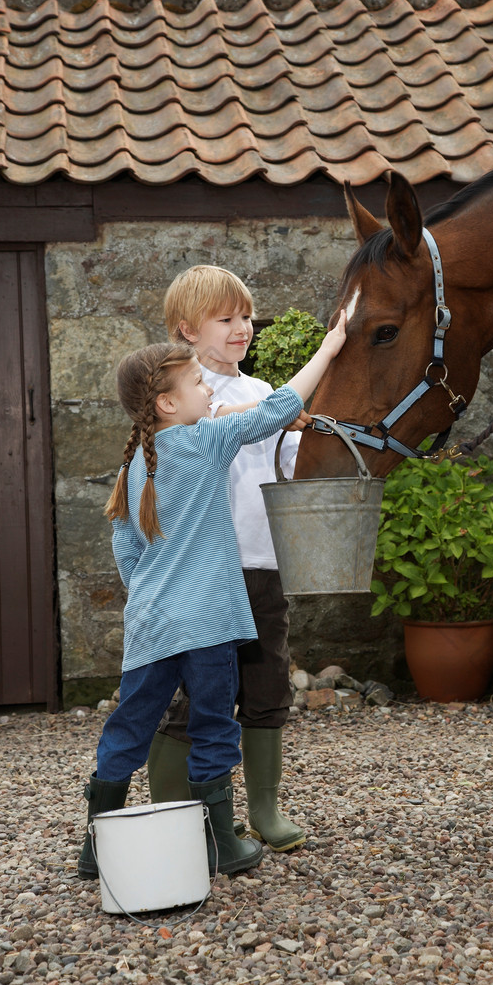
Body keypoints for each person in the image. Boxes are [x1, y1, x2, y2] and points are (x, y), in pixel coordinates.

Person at [77, 309, 346, 880]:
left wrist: (155, 598)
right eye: (199, 382)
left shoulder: (133, 467)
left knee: (129, 725)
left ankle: (96, 846)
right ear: (169, 404)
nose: (208, 389)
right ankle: (222, 841)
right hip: (210, 624)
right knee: (214, 726)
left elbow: (127, 552)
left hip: (151, 627)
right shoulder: (203, 442)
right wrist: (329, 348)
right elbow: (280, 408)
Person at [146, 265, 309, 852]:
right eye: (226, 319)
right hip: (208, 574)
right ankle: (173, 808)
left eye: (246, 317)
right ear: (186, 330)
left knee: (267, 684)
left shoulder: (264, 393)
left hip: (263, 563)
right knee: (200, 693)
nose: (242, 328)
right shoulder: (181, 400)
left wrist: (301, 434)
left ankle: (264, 807)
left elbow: (285, 470)